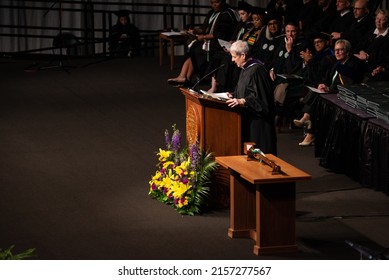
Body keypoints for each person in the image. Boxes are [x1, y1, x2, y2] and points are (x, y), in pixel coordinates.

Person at [294, 39, 364, 146]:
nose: (337, 52)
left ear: (347, 51)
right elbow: (328, 79)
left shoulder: (352, 65)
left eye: (341, 50)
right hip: (332, 92)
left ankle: (309, 126)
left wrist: (329, 89)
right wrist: (324, 85)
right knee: (316, 90)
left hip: (344, 96)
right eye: (336, 50)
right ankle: (307, 120)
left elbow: (347, 86)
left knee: (319, 98)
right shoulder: (336, 64)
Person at [167, 0, 238, 87]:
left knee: (196, 50)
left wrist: (203, 37)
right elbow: (204, 28)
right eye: (212, 3)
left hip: (220, 43)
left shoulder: (227, 14)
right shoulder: (212, 13)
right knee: (193, 47)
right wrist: (195, 31)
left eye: (217, 2)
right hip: (209, 41)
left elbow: (220, 34)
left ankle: (186, 77)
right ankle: (183, 77)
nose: (214, 5)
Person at [226, 40, 277, 155]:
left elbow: (262, 99)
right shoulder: (245, 69)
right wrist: (234, 95)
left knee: (261, 155)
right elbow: (247, 91)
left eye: (234, 57)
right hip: (248, 119)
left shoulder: (257, 70)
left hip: (259, 124)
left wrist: (243, 100)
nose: (232, 60)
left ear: (243, 55)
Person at [353, 9, 389, 82]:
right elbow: (360, 45)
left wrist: (367, 58)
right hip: (363, 63)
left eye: (382, 20)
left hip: (376, 67)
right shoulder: (371, 32)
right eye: (377, 18)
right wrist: (361, 51)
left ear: (387, 22)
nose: (378, 21)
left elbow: (383, 58)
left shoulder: (387, 38)